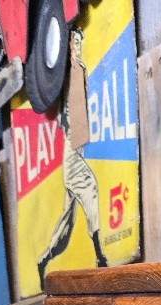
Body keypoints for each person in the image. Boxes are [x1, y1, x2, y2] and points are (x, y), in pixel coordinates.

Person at [37, 26, 107, 285]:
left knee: (65, 226)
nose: (77, 46)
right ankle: (100, 256)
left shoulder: (79, 72)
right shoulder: (68, 74)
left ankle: (43, 260)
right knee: (90, 188)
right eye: (74, 42)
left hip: (75, 147)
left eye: (79, 42)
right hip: (71, 151)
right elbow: (65, 113)